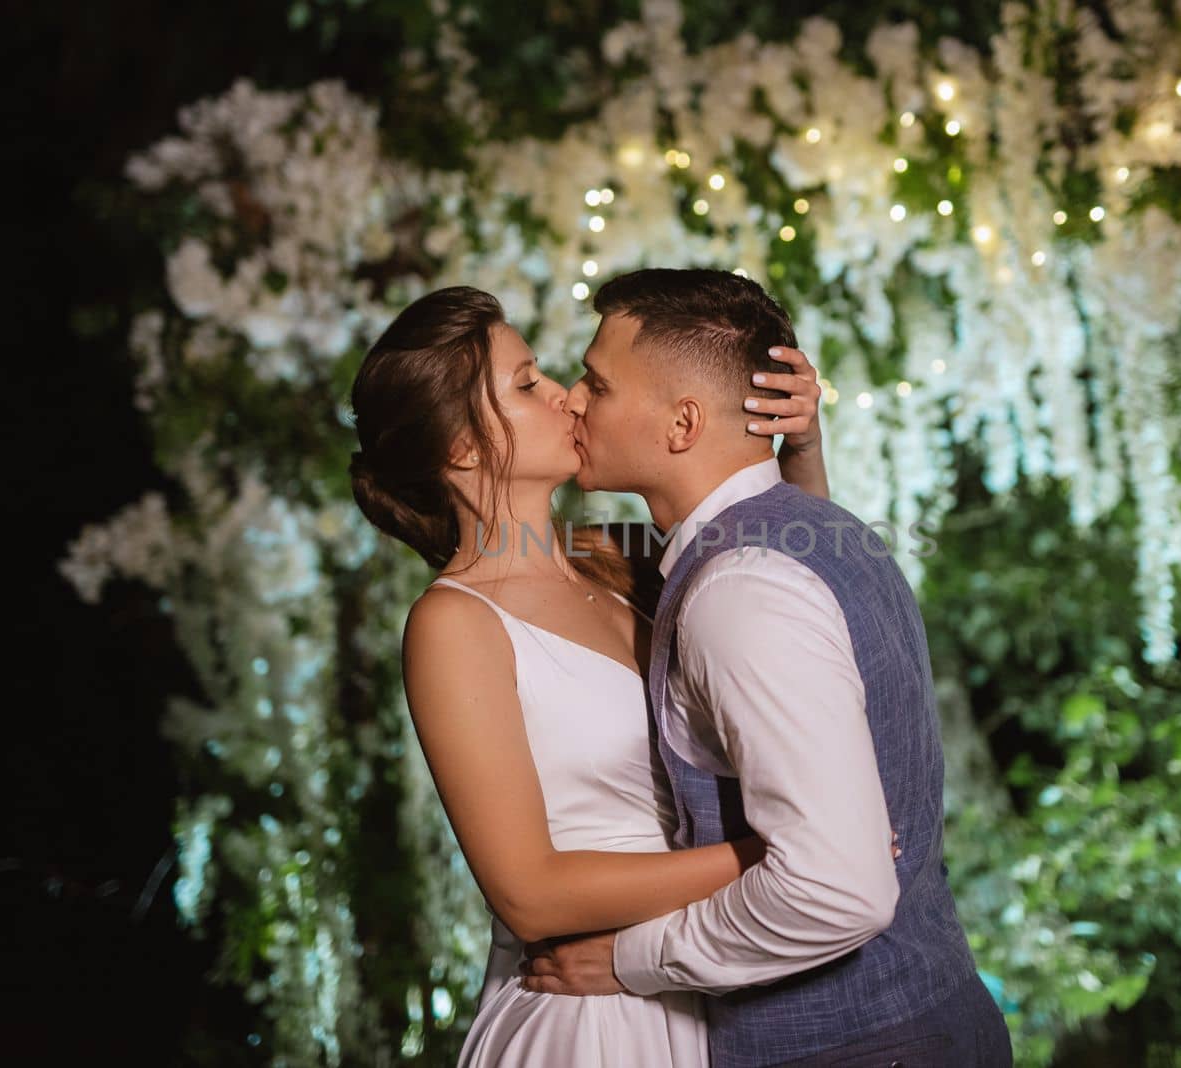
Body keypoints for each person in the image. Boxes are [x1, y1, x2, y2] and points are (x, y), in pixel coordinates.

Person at [519, 268, 1013, 1067]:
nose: (573, 399)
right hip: (927, 1019)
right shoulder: (824, 530)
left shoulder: (740, 592)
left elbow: (837, 889)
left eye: (597, 383)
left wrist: (626, 959)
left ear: (682, 424)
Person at [346, 284, 837, 1066]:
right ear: (464, 449)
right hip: (587, 1011)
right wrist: (776, 855)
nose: (569, 398)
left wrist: (799, 445)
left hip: (710, 977)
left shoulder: (620, 557)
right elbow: (528, 891)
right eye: (529, 383)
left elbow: (789, 590)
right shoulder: (455, 625)